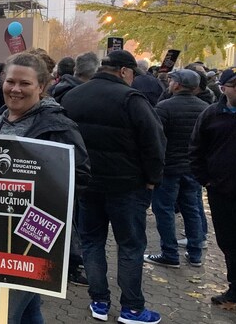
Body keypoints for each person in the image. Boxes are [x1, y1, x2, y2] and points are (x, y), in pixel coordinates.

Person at [0, 52, 90, 323]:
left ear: (41, 87)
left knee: (2, 314)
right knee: (29, 309)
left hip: (34, 235)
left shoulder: (57, 125)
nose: (15, 89)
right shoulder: (0, 117)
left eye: (25, 83)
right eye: (10, 82)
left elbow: (81, 174)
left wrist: (33, 173)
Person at [61, 50, 165, 324]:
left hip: (87, 187)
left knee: (92, 243)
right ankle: (132, 308)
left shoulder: (73, 96)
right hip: (127, 188)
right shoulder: (132, 99)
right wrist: (153, 178)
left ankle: (99, 302)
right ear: (124, 71)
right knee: (130, 246)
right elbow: (154, 142)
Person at [189, 66, 236, 306]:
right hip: (221, 193)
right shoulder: (211, 114)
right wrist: (206, 180)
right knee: (229, 242)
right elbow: (196, 150)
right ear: (224, 88)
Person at [144, 69, 208, 269]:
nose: (169, 83)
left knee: (164, 210)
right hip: (192, 168)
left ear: (178, 85)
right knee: (192, 209)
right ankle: (196, 253)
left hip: (169, 168)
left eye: (171, 80)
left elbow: (155, 140)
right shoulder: (205, 108)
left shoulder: (164, 108)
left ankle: (169, 253)